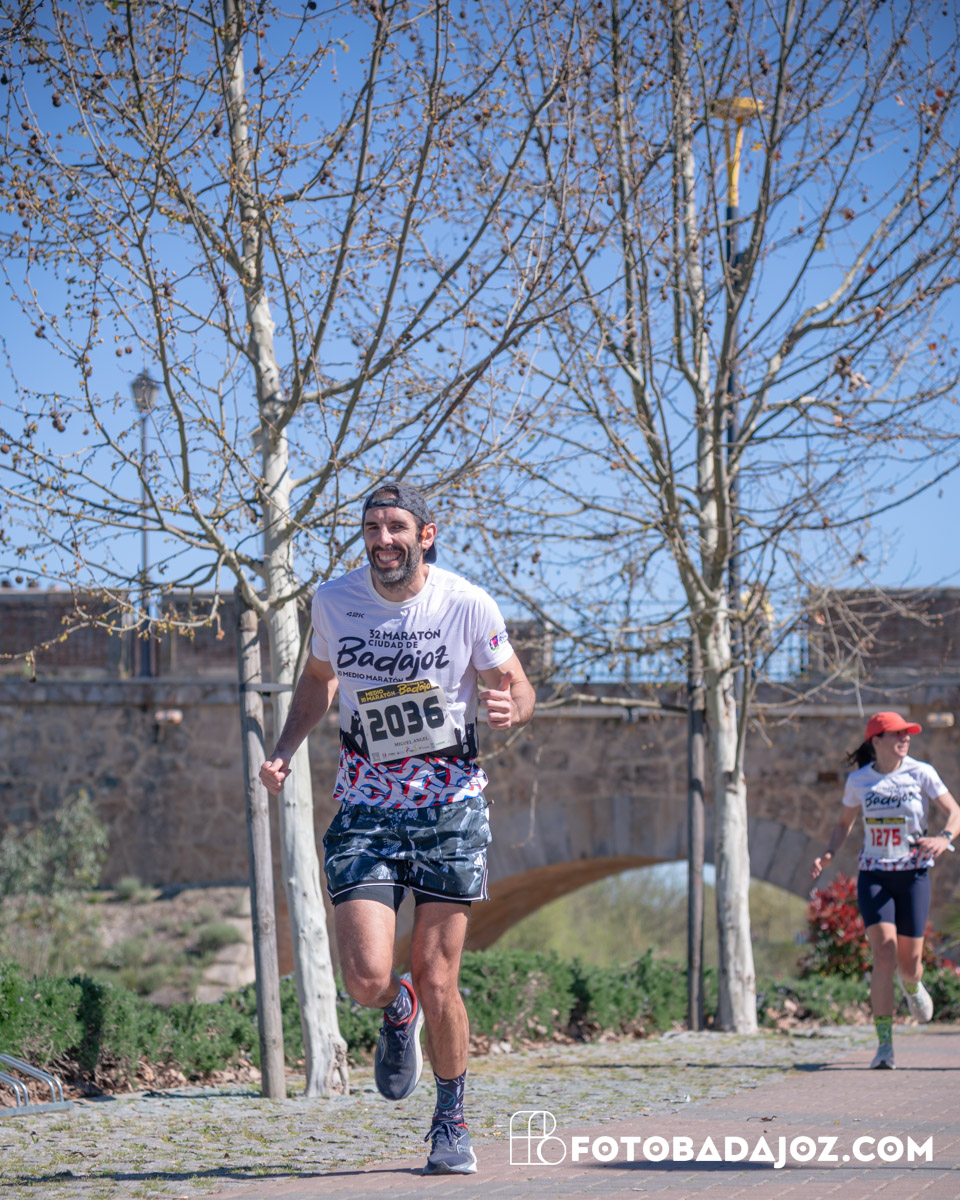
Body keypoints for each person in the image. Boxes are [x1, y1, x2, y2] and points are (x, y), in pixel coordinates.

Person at [259, 481, 535, 1173]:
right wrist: (286, 747)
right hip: (367, 805)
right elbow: (319, 678)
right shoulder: (334, 601)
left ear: (425, 535)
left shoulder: (466, 603)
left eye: (396, 528)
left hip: (449, 807)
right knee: (365, 977)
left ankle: (450, 1120)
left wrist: (513, 708)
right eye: (372, 528)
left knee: (438, 976)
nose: (382, 540)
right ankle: (395, 1008)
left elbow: (517, 683)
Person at [810, 711, 960, 1069]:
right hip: (875, 875)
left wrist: (944, 838)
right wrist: (829, 853)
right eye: (896, 734)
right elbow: (843, 824)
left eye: (907, 734)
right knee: (884, 954)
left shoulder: (921, 772)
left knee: (909, 967)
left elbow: (955, 811)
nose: (904, 739)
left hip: (913, 876)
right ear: (876, 741)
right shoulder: (859, 781)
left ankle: (912, 985)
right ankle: (884, 1046)